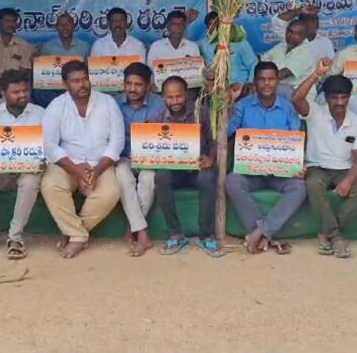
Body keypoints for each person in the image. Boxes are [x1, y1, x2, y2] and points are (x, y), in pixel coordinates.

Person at [41, 60, 124, 259]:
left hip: (100, 163)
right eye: (76, 81)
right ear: (65, 84)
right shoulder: (57, 106)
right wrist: (76, 169)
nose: (82, 84)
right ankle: (78, 235)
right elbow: (49, 144)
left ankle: (73, 231)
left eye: (85, 79)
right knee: (51, 185)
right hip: (67, 163)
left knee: (110, 192)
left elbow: (117, 141)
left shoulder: (107, 102)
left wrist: (97, 170)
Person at [225, 61, 306, 254]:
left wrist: (297, 164)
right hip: (250, 171)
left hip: (280, 172)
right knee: (232, 181)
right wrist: (230, 103)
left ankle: (259, 232)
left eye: (271, 79)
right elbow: (226, 132)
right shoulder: (242, 106)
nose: (267, 83)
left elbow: (294, 140)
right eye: (262, 79)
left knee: (300, 187)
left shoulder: (287, 108)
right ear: (255, 82)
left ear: (278, 82)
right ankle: (264, 234)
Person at [292, 61, 357, 258]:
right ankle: (336, 236)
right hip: (317, 167)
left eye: (344, 97)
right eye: (334, 98)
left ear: (349, 98)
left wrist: (348, 181)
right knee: (313, 184)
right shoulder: (316, 113)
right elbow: (297, 98)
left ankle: (325, 233)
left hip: (344, 168)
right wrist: (317, 73)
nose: (339, 102)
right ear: (326, 98)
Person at [0, 69, 45, 260]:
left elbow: (47, 148)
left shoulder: (41, 114)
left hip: (26, 171)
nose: (22, 95)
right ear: (3, 94)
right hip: (0, 171)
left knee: (30, 181)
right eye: (16, 92)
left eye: (25, 90)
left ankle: (15, 237)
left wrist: (43, 162)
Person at [154, 76, 219, 257]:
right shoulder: (159, 118)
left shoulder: (202, 113)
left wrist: (211, 158)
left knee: (208, 177)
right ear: (163, 97)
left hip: (198, 168)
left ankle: (206, 235)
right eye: (170, 97)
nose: (175, 101)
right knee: (161, 177)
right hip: (174, 170)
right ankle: (175, 233)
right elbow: (152, 146)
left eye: (179, 96)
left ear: (187, 94)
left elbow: (214, 141)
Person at [114, 62, 166, 257]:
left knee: (148, 178)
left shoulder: (159, 104)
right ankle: (142, 231)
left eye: (138, 84)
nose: (132, 89)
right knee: (122, 176)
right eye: (128, 84)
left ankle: (133, 227)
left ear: (148, 85)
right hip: (123, 156)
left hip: (149, 157)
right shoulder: (113, 103)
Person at [37, 13, 92, 108]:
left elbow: (89, 71)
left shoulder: (85, 46)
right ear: (56, 27)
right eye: (61, 25)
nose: (64, 27)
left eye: (68, 24)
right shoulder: (47, 47)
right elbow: (41, 74)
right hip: (53, 93)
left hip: (78, 92)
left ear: (74, 26)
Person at [199, 11, 258, 93]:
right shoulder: (202, 45)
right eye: (211, 24)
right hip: (215, 88)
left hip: (240, 86)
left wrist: (250, 82)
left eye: (217, 23)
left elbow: (253, 64)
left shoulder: (240, 42)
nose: (215, 27)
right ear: (207, 27)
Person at [261, 19, 319, 100]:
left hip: (299, 95)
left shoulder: (306, 53)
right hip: (279, 89)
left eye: (297, 34)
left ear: (304, 36)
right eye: (290, 31)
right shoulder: (282, 46)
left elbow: (282, 74)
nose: (291, 35)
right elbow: (262, 61)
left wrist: (259, 80)